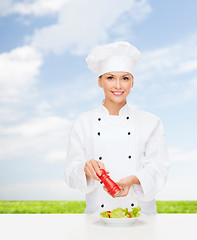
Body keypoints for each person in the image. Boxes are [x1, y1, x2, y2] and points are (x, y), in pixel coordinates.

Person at [64, 41, 170, 214]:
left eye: (125, 78)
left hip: (141, 217)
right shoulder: (83, 122)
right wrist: (85, 170)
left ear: (132, 82)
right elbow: (70, 174)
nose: (118, 86)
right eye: (110, 78)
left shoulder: (151, 122)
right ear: (100, 81)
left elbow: (159, 169)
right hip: (97, 217)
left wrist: (134, 180)